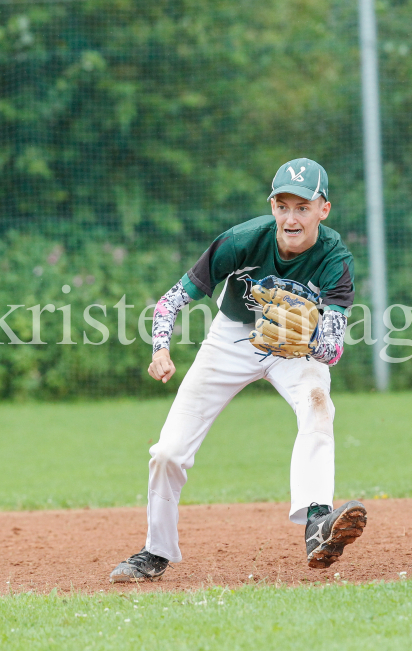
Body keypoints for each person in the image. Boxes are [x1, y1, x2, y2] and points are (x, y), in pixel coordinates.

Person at [110, 158, 366, 582]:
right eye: (283, 205)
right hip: (231, 339)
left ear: (324, 209)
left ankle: (318, 519)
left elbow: (333, 349)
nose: (291, 217)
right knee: (168, 452)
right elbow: (170, 301)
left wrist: (310, 340)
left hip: (295, 350)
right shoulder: (242, 240)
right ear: (272, 206)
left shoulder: (335, 257)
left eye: (303, 207)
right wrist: (160, 349)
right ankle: (155, 551)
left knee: (318, 407)